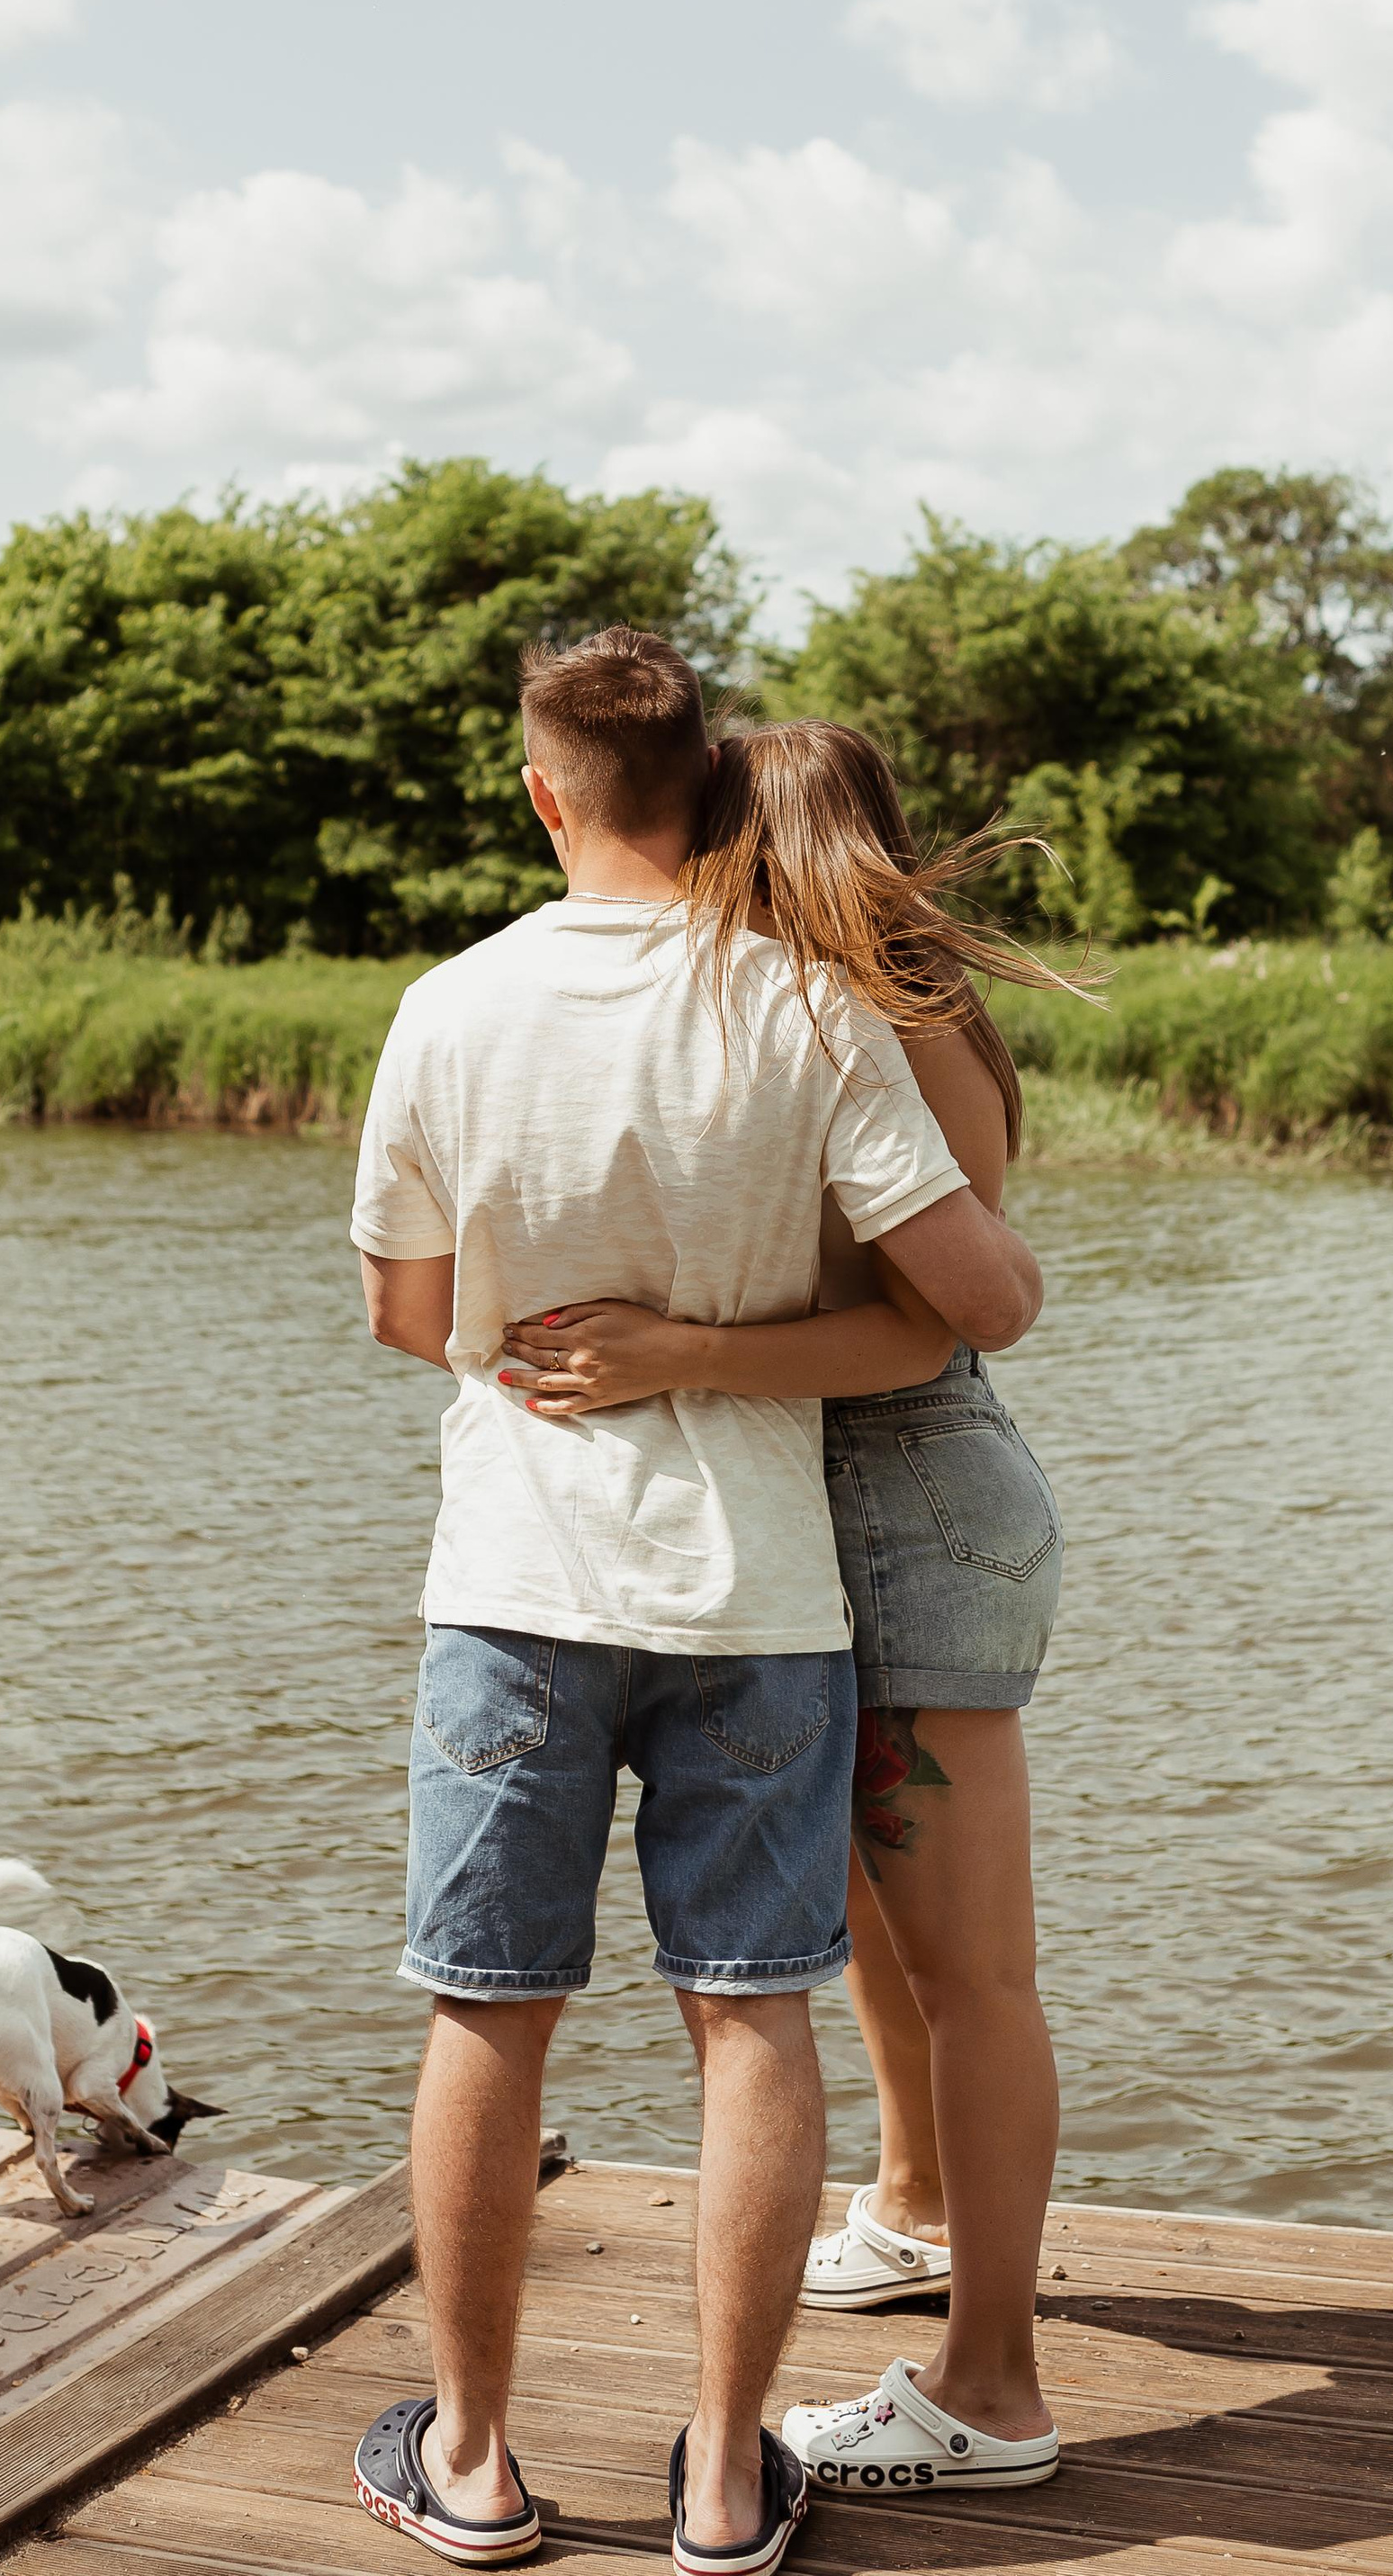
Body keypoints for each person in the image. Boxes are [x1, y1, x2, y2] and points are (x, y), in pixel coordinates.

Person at [349, 633, 1045, 2576]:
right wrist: (709, 1343)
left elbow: (409, 1316)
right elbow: (980, 1303)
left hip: (515, 1581)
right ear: (708, 789)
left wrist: (562, 1340)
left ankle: (472, 2464)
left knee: (487, 2015)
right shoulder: (810, 1012)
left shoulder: (448, 1009)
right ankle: (727, 2484)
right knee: (751, 2023)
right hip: (758, 1592)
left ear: (542, 793)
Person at [498, 720, 1070, 2500]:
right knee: (876, 1921)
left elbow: (948, 1318)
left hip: (907, 1502)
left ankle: (989, 2388)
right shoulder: (829, 1011)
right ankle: (906, 2206)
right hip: (845, 1521)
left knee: (972, 1970)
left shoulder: (878, 1028)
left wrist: (671, 1350)